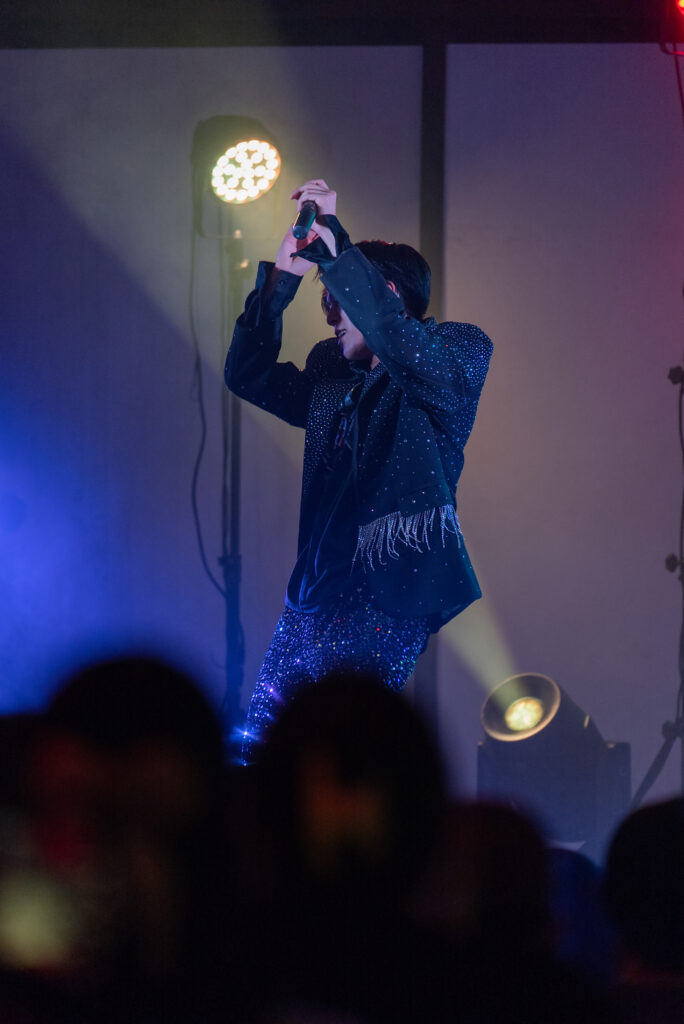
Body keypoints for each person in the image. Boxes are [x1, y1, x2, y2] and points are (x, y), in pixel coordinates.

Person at [225, 179, 492, 763]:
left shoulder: (457, 351)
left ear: (382, 292)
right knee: (262, 754)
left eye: (335, 298)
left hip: (383, 597)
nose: (328, 317)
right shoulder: (331, 373)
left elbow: (402, 345)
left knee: (337, 749)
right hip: (310, 598)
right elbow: (248, 375)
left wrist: (336, 246)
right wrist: (283, 280)